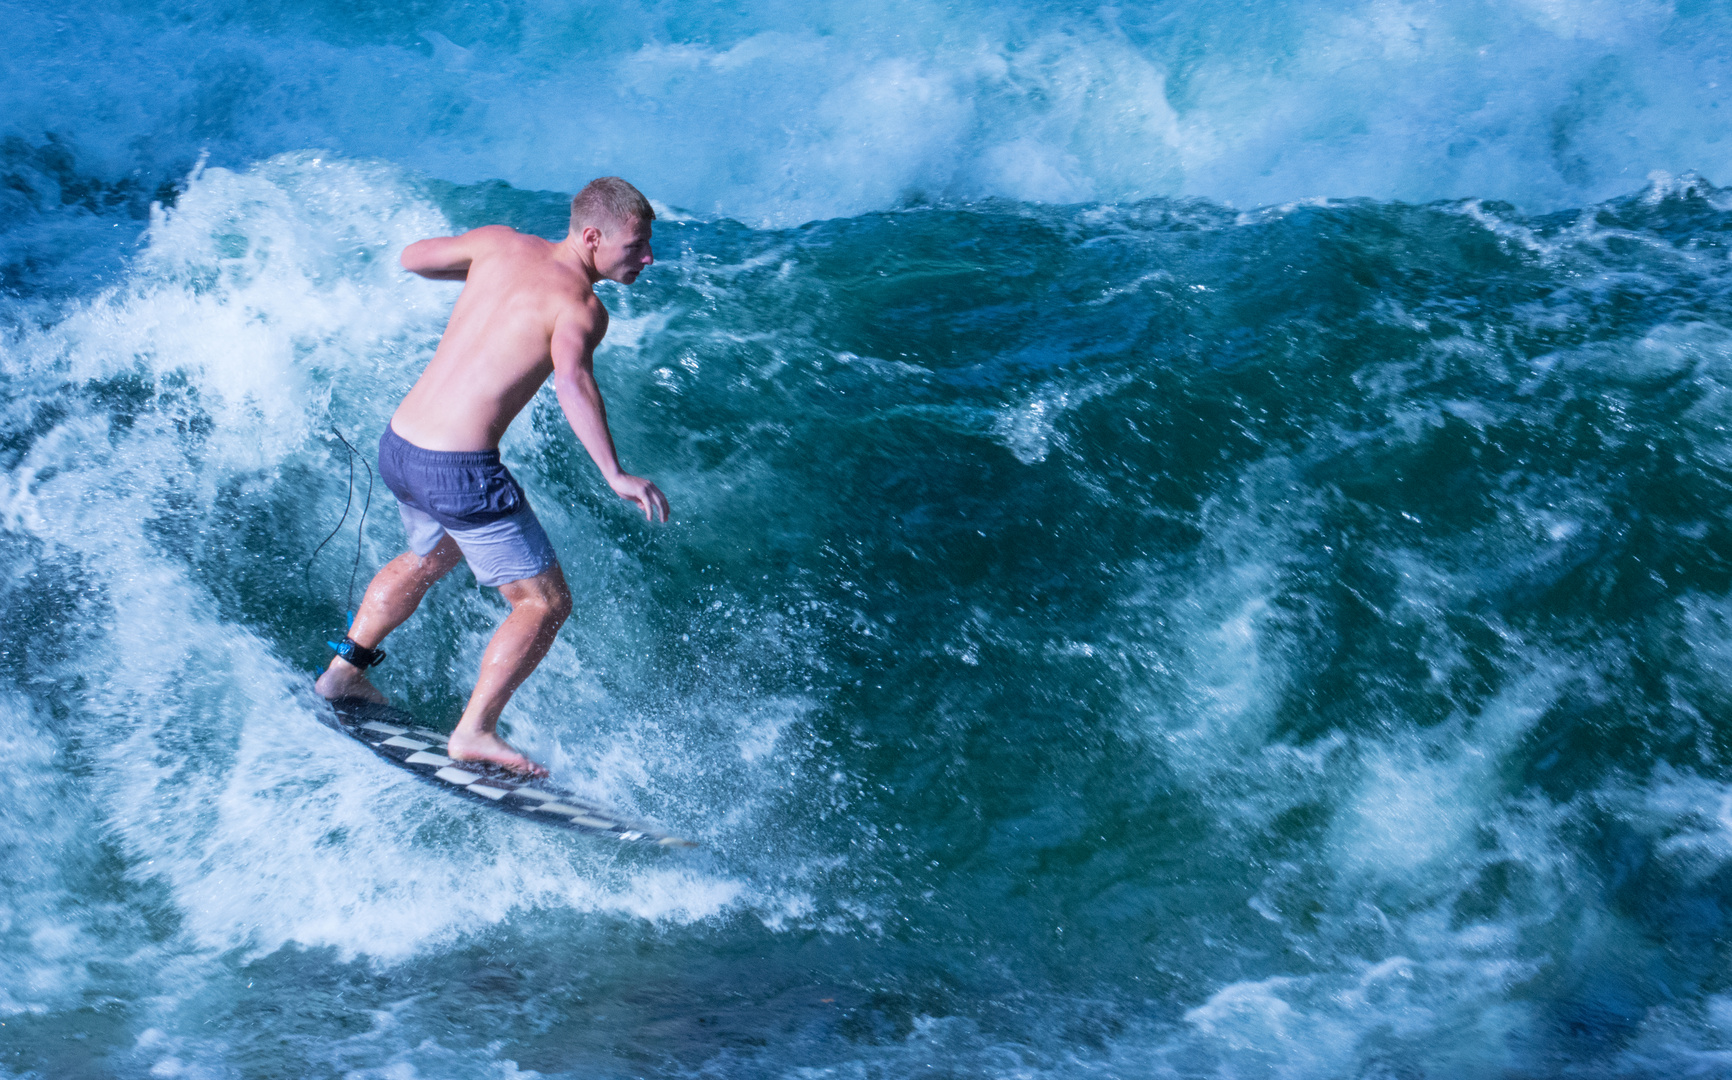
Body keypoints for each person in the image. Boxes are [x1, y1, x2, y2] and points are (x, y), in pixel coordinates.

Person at [314, 176, 669, 777]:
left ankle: (342, 673)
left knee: (430, 557)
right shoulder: (581, 306)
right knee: (543, 604)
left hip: (401, 445)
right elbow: (573, 384)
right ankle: (474, 732)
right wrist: (614, 472)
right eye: (635, 246)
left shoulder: (498, 244)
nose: (647, 258)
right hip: (458, 468)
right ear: (591, 237)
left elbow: (414, 258)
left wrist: (485, 272)